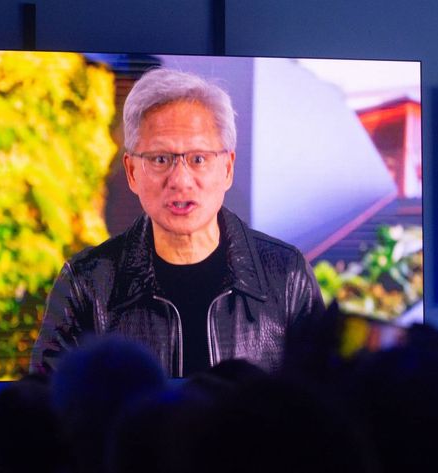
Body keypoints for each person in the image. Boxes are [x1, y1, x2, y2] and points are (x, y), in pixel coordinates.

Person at [31, 68, 324, 377]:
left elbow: (321, 408)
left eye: (198, 159)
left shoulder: (286, 275)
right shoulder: (87, 284)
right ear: (131, 172)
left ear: (227, 168)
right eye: (160, 159)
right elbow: (45, 412)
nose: (181, 180)